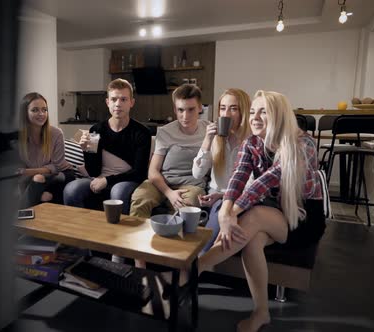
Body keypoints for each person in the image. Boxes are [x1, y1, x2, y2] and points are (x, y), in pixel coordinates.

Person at [176, 90, 326, 332]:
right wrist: (225, 210)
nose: (254, 117)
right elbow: (238, 178)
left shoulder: (302, 144)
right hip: (274, 213)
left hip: (303, 218)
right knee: (252, 240)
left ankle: (193, 268)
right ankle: (261, 313)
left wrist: (230, 211)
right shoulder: (252, 142)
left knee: (253, 216)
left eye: (263, 112)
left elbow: (265, 182)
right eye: (253, 112)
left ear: (278, 115)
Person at [63, 78, 151, 216]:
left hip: (126, 181)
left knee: (118, 192)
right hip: (99, 178)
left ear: (131, 103)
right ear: (107, 102)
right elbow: (93, 171)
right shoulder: (96, 130)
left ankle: (117, 236)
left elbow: (139, 173)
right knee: (71, 189)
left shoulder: (142, 132)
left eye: (123, 99)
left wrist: (106, 181)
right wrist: (86, 150)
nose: (118, 104)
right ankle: (80, 231)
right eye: (114, 99)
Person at [130, 84, 210, 218]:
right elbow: (153, 171)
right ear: (174, 109)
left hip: (192, 186)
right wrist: (169, 193)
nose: (185, 116)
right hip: (163, 182)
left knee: (186, 206)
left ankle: (175, 238)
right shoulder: (165, 132)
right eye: (180, 110)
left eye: (191, 109)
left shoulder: (209, 130)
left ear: (200, 107)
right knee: (140, 198)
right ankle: (136, 238)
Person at [192, 88, 251, 252]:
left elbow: (253, 187)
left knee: (221, 212)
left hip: (238, 199)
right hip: (215, 194)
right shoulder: (216, 139)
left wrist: (223, 196)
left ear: (243, 112)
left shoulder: (251, 142)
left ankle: (197, 266)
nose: (226, 113)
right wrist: (207, 140)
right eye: (223, 108)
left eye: (233, 108)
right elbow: (197, 174)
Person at [17, 92, 74, 208]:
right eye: (35, 110)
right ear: (25, 113)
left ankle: (19, 216)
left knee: (38, 178)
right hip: (33, 180)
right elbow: (18, 172)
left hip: (60, 175)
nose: (41, 114)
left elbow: (57, 166)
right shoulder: (18, 137)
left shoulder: (56, 133)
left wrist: (28, 171)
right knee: (43, 194)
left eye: (44, 110)